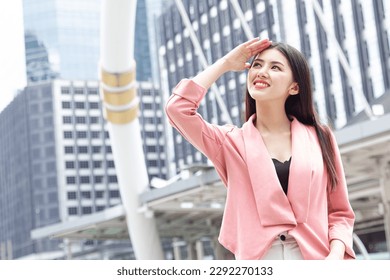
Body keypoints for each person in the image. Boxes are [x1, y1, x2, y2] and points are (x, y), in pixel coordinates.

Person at [165, 38, 356, 260]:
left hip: (316, 260)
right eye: (257, 64)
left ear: (294, 87)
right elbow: (177, 109)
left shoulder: (320, 137)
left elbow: (340, 212)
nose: (262, 72)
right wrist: (226, 63)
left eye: (275, 67)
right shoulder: (229, 142)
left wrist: (335, 256)